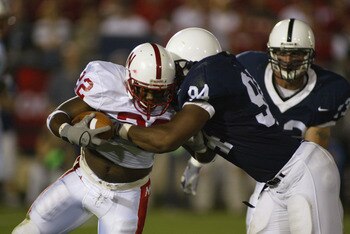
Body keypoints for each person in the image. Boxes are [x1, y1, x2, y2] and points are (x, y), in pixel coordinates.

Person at [114, 27, 347, 233]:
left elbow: (167, 140)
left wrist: (118, 130)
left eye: (178, 68)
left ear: (194, 64)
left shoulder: (207, 76)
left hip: (303, 171)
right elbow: (205, 151)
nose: (173, 77)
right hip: (273, 182)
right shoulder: (222, 72)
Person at [12, 42, 177, 234]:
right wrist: (67, 131)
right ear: (129, 80)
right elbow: (57, 116)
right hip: (82, 180)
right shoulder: (107, 85)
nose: (150, 98)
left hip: (127, 196)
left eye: (158, 92)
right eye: (144, 89)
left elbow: (171, 141)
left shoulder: (176, 110)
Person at [236, 18, 350, 227]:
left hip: (306, 174)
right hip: (267, 180)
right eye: (282, 52)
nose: (288, 59)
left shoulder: (329, 88)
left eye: (296, 53)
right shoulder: (249, 69)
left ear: (310, 55)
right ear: (270, 52)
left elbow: (316, 147)